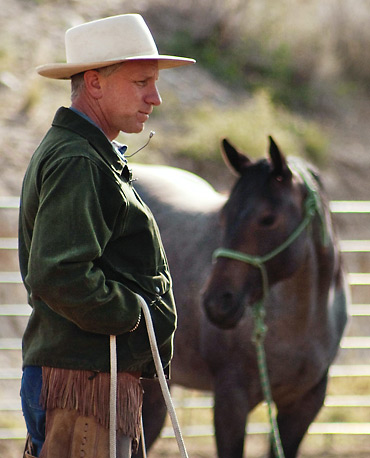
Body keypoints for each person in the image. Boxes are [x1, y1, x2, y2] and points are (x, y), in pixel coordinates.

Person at [18, 13, 195, 458]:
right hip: (86, 382)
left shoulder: (87, 154)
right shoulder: (79, 160)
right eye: (141, 82)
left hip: (93, 375)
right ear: (94, 83)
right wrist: (132, 315)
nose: (155, 98)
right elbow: (59, 273)